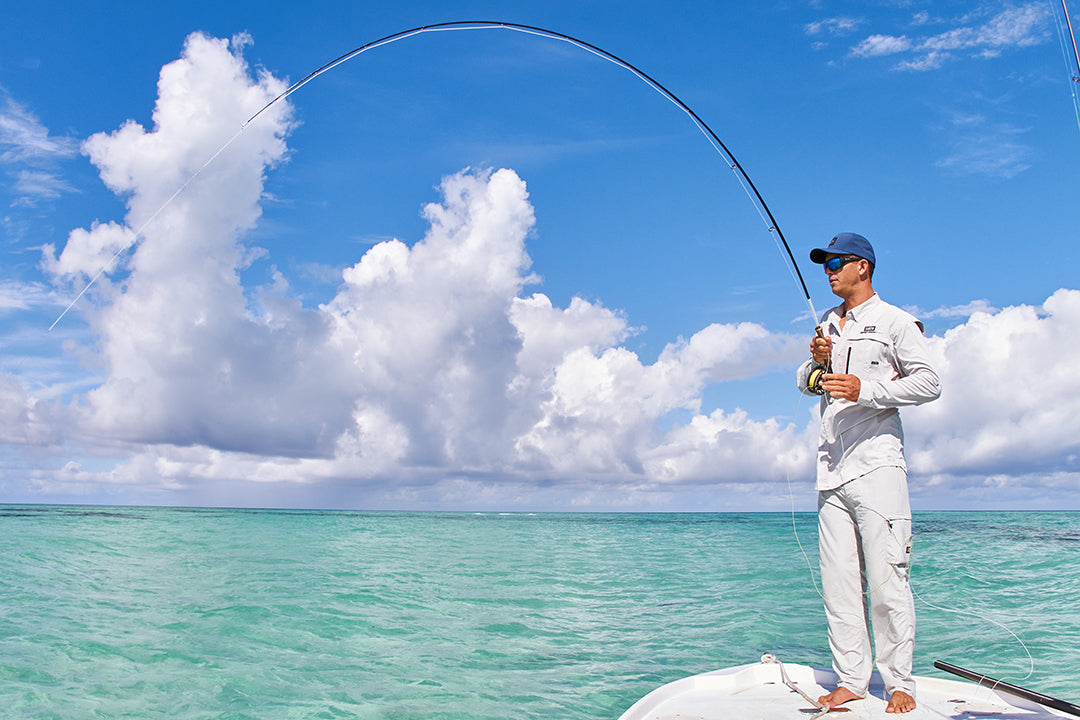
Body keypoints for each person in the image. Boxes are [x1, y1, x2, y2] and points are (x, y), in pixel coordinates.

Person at [796, 232, 941, 714]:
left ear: (863, 266)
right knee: (838, 584)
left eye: (836, 261)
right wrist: (817, 367)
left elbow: (928, 382)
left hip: (878, 465)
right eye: (824, 263)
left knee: (886, 579)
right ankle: (852, 680)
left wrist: (867, 388)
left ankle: (900, 682)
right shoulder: (827, 324)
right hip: (830, 470)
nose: (828, 269)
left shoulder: (896, 322)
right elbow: (805, 382)